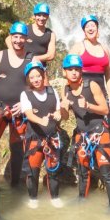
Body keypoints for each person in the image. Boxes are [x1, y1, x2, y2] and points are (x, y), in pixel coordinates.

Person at [61, 54, 110, 207]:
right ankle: (81, 199)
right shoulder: (65, 90)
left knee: (106, 170)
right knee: (82, 170)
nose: (74, 72)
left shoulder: (91, 85)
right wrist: (63, 108)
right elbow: (66, 117)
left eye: (77, 69)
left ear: (81, 71)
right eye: (70, 69)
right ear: (64, 72)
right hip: (82, 134)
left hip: (99, 131)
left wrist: (88, 105)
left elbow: (105, 110)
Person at [0, 22, 33, 188]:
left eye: (21, 37)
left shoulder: (31, 59)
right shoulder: (0, 56)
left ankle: (14, 186)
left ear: (26, 39)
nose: (18, 40)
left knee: (17, 150)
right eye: (15, 36)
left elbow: (42, 86)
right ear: (11, 37)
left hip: (18, 111)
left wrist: (25, 102)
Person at [20, 61, 67, 208]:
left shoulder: (52, 91)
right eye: (32, 77)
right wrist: (42, 120)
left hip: (52, 138)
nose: (36, 79)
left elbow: (59, 110)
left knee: (53, 171)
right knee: (33, 172)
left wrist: (59, 113)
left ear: (43, 75)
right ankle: (33, 198)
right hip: (34, 139)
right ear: (28, 79)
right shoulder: (25, 94)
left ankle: (55, 198)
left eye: (38, 76)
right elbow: (29, 114)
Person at [70, 15, 110, 125]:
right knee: (85, 123)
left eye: (93, 25)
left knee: (102, 124)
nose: (90, 28)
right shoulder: (78, 47)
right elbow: (66, 70)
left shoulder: (105, 48)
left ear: (97, 28)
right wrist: (73, 91)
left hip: (101, 93)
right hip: (84, 92)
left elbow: (108, 75)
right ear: (84, 30)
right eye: (87, 26)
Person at [5, 3, 56, 83]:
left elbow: (51, 55)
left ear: (48, 17)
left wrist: (32, 59)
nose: (41, 18)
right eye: (39, 15)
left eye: (44, 15)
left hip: (40, 67)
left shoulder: (50, 34)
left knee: (47, 90)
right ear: (34, 16)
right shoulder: (25, 29)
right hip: (22, 65)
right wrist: (16, 55)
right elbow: (8, 39)